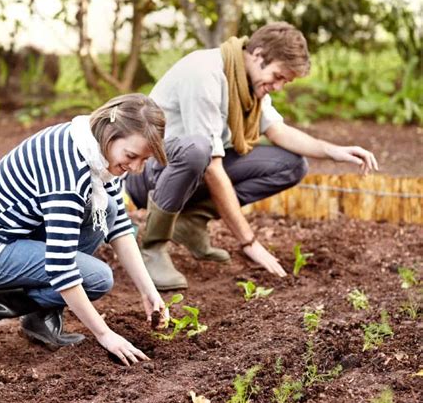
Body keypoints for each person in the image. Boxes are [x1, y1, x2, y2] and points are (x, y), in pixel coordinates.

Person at [125, 22, 379, 291]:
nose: (279, 86)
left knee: (290, 165)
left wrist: (334, 152)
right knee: (198, 150)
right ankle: (153, 248)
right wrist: (249, 242)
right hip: (151, 171)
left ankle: (190, 221)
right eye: (279, 76)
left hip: (192, 170)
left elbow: (277, 130)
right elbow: (211, 166)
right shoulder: (204, 74)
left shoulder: (246, 83)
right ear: (258, 56)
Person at [0, 93, 168, 365]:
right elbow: (61, 268)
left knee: (107, 208)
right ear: (110, 133)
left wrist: (149, 291)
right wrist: (105, 334)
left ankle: (39, 317)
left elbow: (119, 225)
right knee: (97, 278)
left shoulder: (96, 152)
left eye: (144, 160)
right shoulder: (69, 170)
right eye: (132, 156)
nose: (135, 168)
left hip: (19, 233)